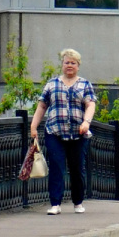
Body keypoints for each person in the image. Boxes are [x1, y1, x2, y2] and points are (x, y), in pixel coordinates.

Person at [30, 48, 96, 216]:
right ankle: (55, 203)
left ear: (78, 66)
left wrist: (86, 122)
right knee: (57, 166)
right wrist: (33, 126)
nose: (69, 65)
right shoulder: (52, 84)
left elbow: (90, 104)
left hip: (78, 133)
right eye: (67, 62)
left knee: (76, 168)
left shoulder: (84, 84)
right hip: (55, 131)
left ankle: (78, 202)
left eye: (73, 63)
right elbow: (42, 105)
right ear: (62, 64)